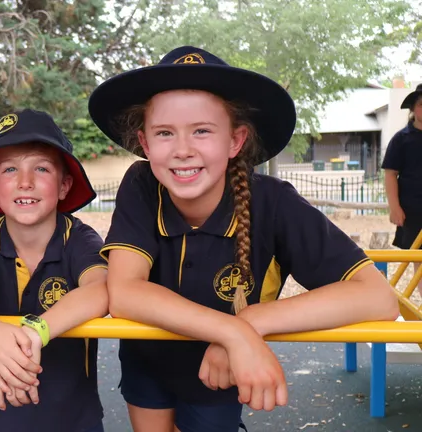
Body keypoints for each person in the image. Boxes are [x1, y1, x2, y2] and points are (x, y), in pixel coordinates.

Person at [87, 46, 399, 432]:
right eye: (165, 133)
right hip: (147, 359)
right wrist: (232, 329)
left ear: (235, 141)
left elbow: (377, 297)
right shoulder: (141, 183)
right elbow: (125, 292)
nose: (183, 150)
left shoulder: (273, 202)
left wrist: (250, 322)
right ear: (146, 144)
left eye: (202, 130)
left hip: (218, 370)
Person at [0, 109, 109, 432]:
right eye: (10, 169)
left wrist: (35, 332)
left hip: (74, 419)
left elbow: (100, 288)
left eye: (41, 168)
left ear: (65, 185)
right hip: (2, 414)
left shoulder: (78, 238)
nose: (25, 182)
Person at [383, 83, 422, 296]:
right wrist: (394, 207)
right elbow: (390, 174)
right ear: (413, 109)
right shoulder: (401, 139)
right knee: (420, 259)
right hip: (413, 209)